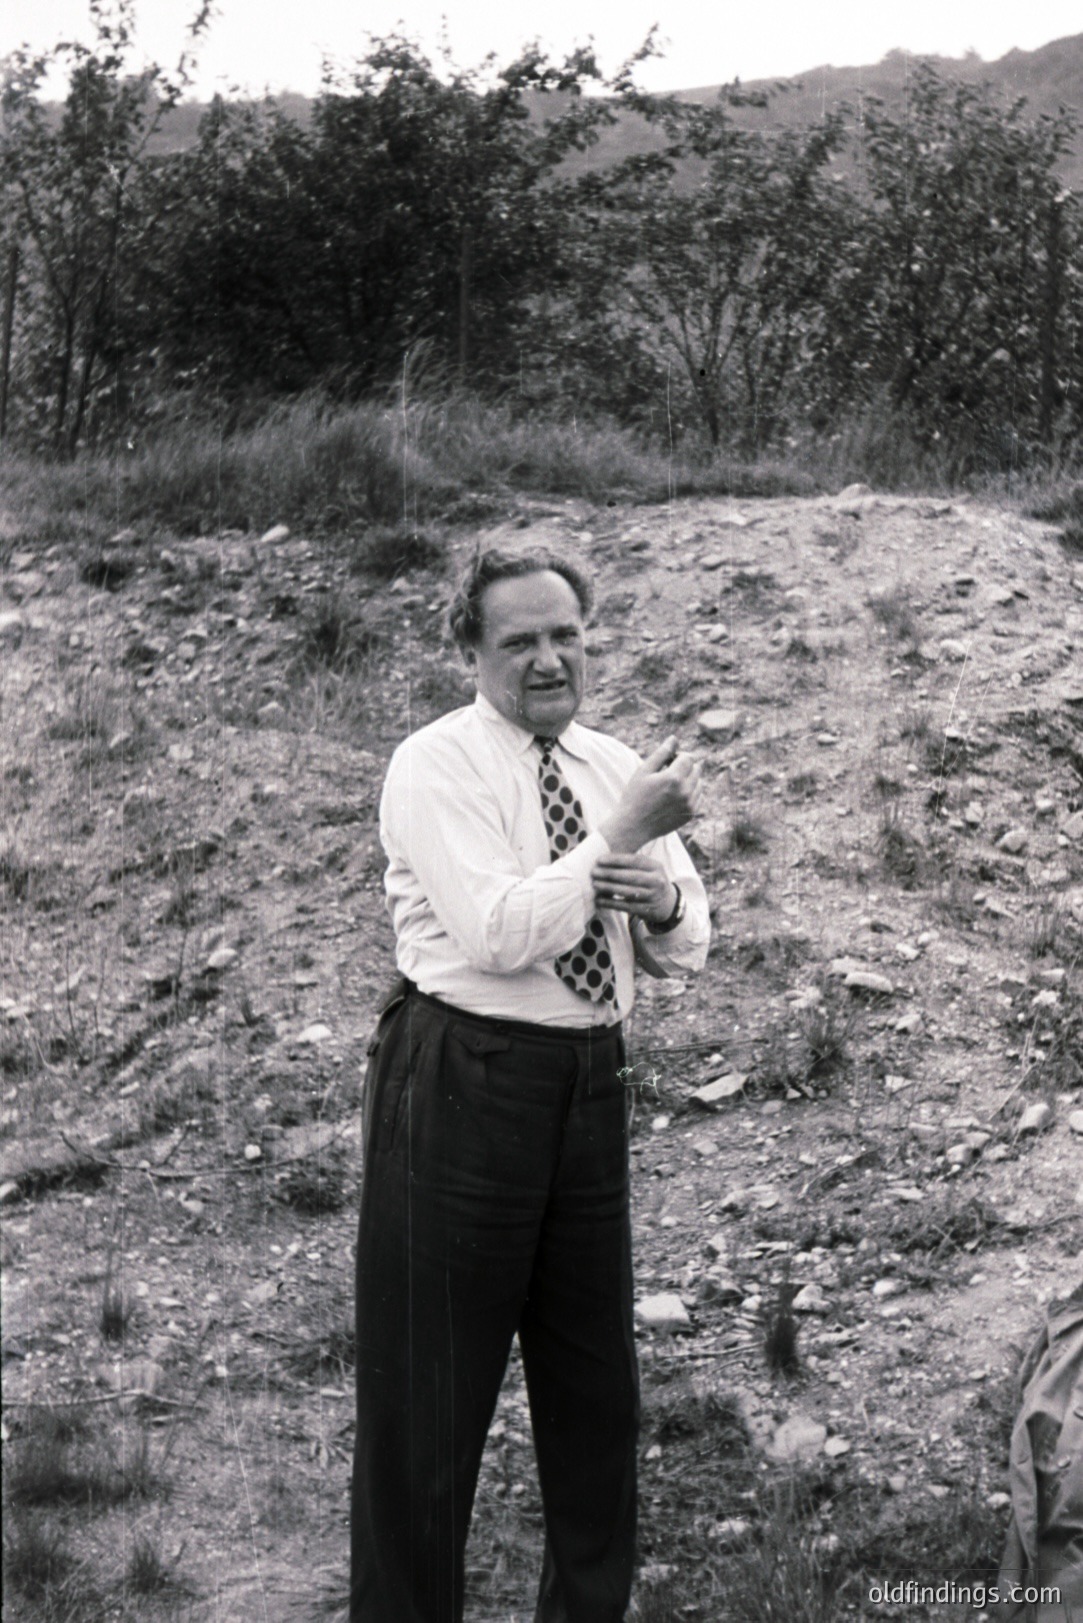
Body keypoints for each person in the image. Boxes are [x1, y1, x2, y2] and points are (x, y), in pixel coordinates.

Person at [350, 546, 710, 1623]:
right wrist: (617, 841)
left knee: (595, 1392)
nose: (550, 660)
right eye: (520, 641)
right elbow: (500, 933)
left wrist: (654, 903)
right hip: (466, 1076)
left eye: (567, 635)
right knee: (429, 1403)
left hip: (590, 1086)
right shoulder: (434, 765)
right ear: (470, 648)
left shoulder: (612, 766)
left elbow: (692, 939)